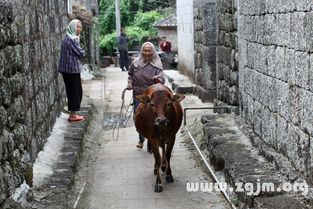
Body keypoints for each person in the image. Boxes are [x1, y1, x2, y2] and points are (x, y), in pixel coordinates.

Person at [127, 42, 165, 149]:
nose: (147, 53)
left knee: (152, 117)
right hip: (138, 94)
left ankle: (151, 141)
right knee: (139, 117)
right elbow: (130, 75)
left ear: (153, 51)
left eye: (149, 51)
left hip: (152, 95)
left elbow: (162, 79)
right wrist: (130, 83)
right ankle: (141, 139)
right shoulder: (135, 63)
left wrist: (157, 79)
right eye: (145, 50)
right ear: (142, 51)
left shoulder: (157, 63)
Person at [58, 19, 86, 122]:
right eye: (77, 27)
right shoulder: (72, 40)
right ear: (72, 27)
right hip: (72, 70)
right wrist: (83, 52)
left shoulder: (67, 37)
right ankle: (73, 115)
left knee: (72, 92)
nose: (79, 29)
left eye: (80, 27)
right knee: (76, 92)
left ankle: (73, 113)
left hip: (67, 70)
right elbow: (81, 53)